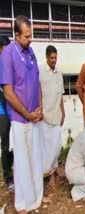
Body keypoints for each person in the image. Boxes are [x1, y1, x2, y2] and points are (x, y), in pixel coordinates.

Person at [0, 15, 44, 213]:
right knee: (22, 161)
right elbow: (8, 93)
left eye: (31, 35)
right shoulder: (7, 55)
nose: (30, 39)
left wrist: (40, 108)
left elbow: (37, 81)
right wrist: (27, 113)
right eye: (27, 36)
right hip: (20, 119)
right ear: (16, 35)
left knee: (35, 158)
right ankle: (23, 203)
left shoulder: (31, 51)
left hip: (35, 118)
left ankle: (37, 198)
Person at [39, 45, 65, 188]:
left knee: (56, 147)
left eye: (56, 58)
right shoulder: (41, 71)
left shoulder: (59, 73)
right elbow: (39, 92)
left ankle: (53, 172)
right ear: (47, 57)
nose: (54, 60)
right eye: (52, 58)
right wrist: (40, 110)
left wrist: (63, 111)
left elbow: (60, 94)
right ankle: (48, 177)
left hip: (56, 114)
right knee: (47, 149)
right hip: (45, 116)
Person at [0, 35, 13, 192]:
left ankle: (15, 170)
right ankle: (7, 176)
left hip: (14, 110)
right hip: (3, 111)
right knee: (5, 144)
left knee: (16, 144)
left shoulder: (10, 65)